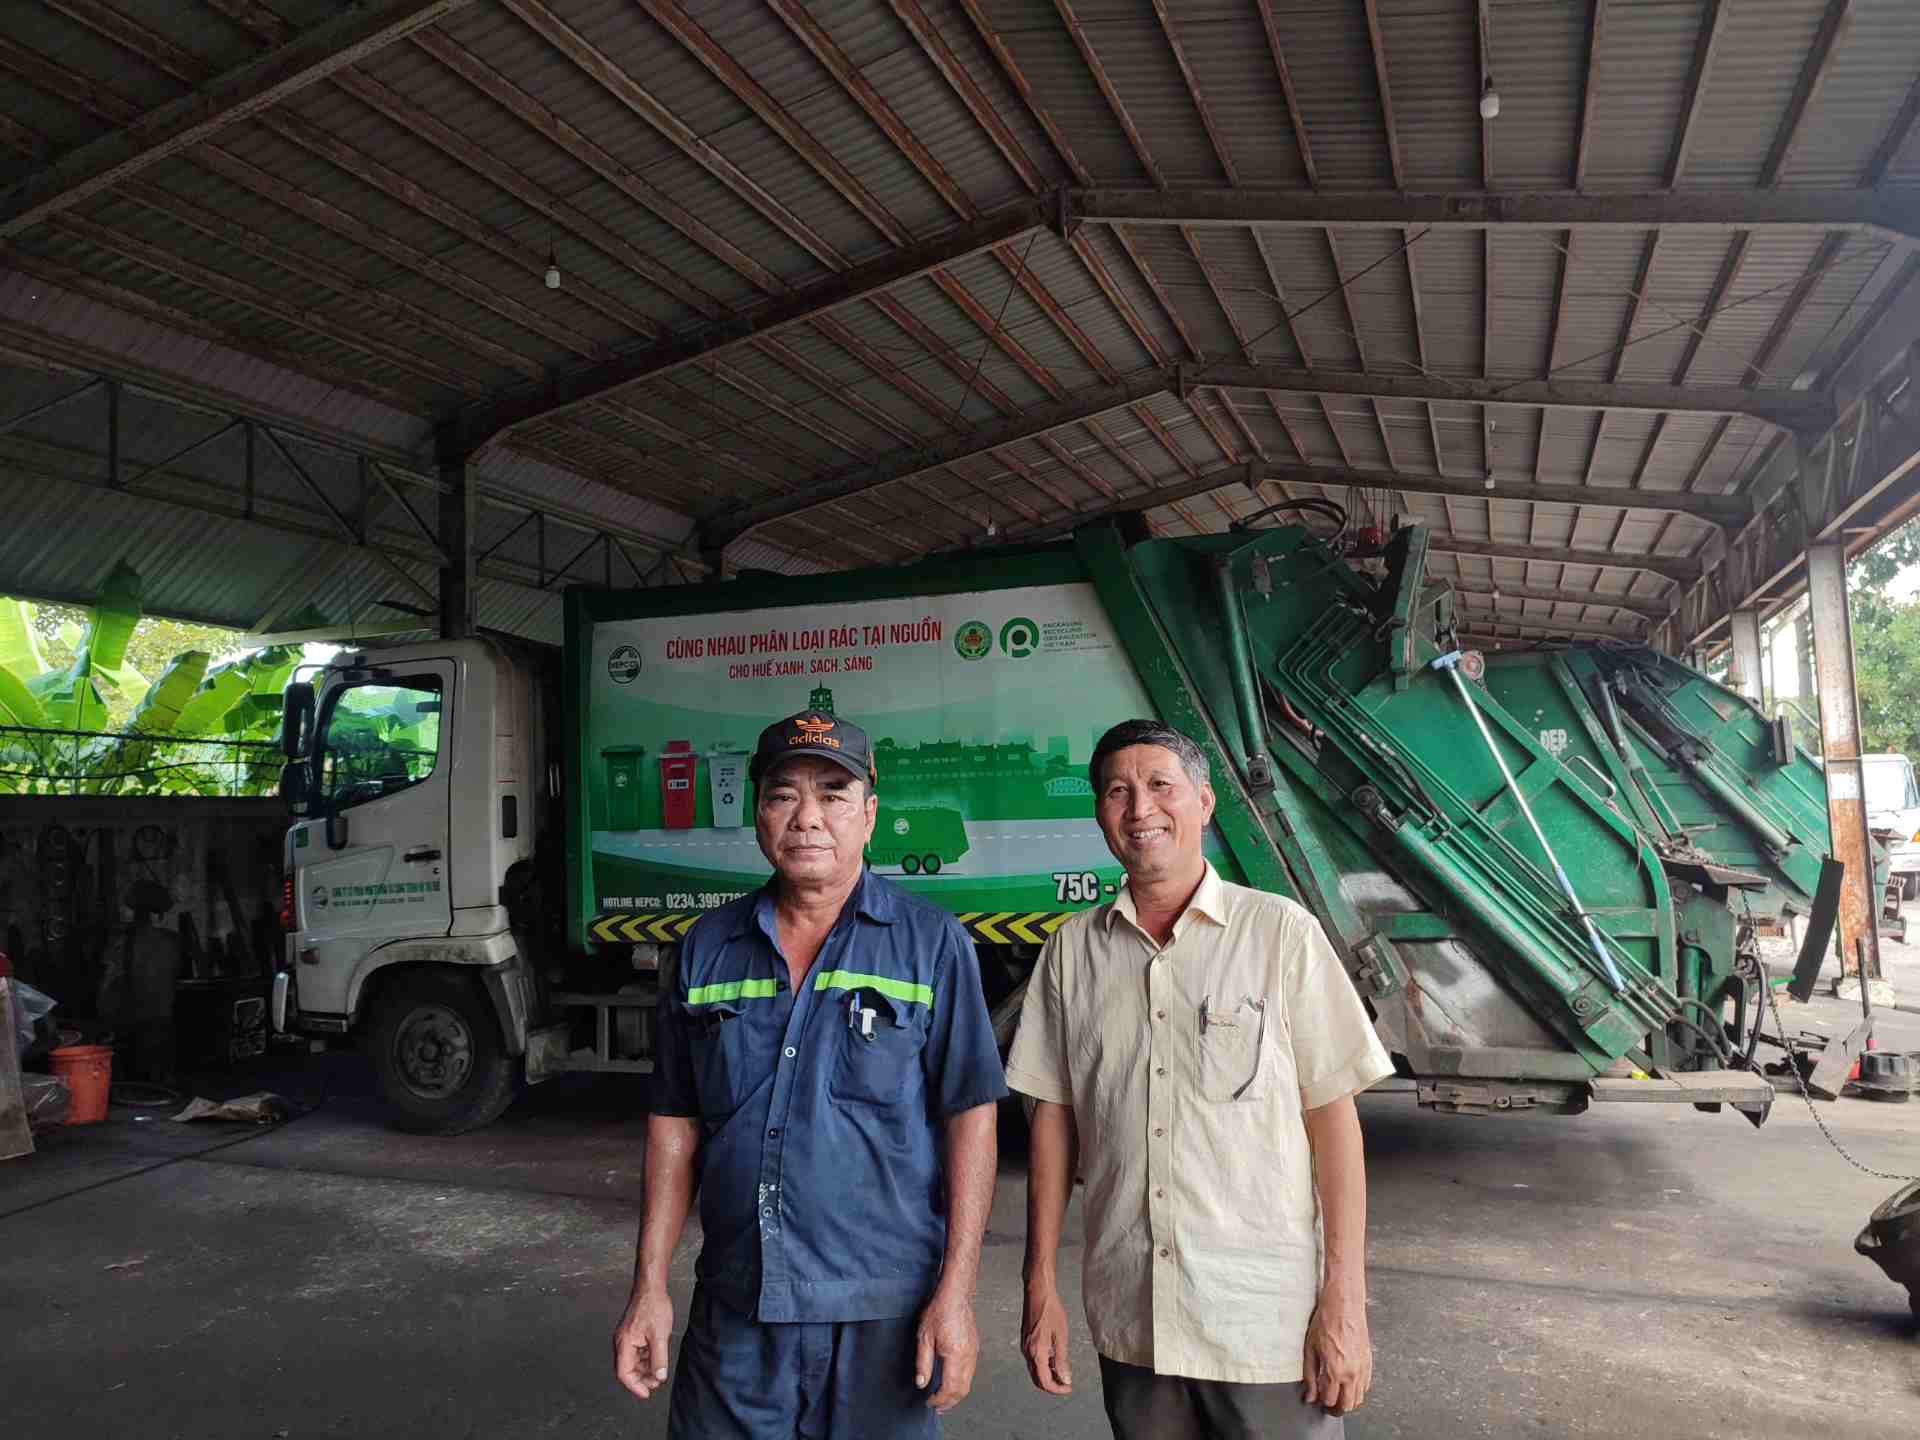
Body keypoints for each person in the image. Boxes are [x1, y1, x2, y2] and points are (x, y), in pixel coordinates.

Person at [612, 707, 1008, 1439]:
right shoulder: (705, 950)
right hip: (737, 1307)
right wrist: (648, 1286)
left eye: (832, 793)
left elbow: (971, 1121)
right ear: (757, 812)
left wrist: (957, 1296)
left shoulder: (931, 946)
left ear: (869, 815)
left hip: (884, 1314)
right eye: (783, 793)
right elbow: (674, 1124)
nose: (807, 817)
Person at [1007, 719, 1395, 1439]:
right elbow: (1053, 1124)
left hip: (1263, 1324)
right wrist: (1040, 1287)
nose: (1140, 810)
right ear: (1099, 814)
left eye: (1161, 786)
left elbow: (1333, 1124)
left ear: (1205, 803)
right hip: (1132, 1320)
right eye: (1117, 793)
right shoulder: (1072, 953)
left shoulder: (1281, 935)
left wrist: (1344, 1302)